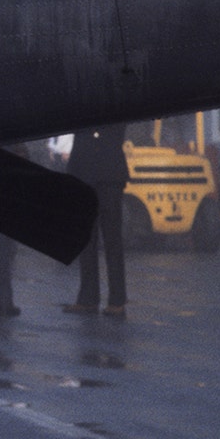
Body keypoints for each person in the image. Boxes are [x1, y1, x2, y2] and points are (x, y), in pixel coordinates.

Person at [63, 124, 130, 319]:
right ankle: (88, 298)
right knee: (86, 241)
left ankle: (117, 300)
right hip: (84, 172)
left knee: (112, 240)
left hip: (109, 174)